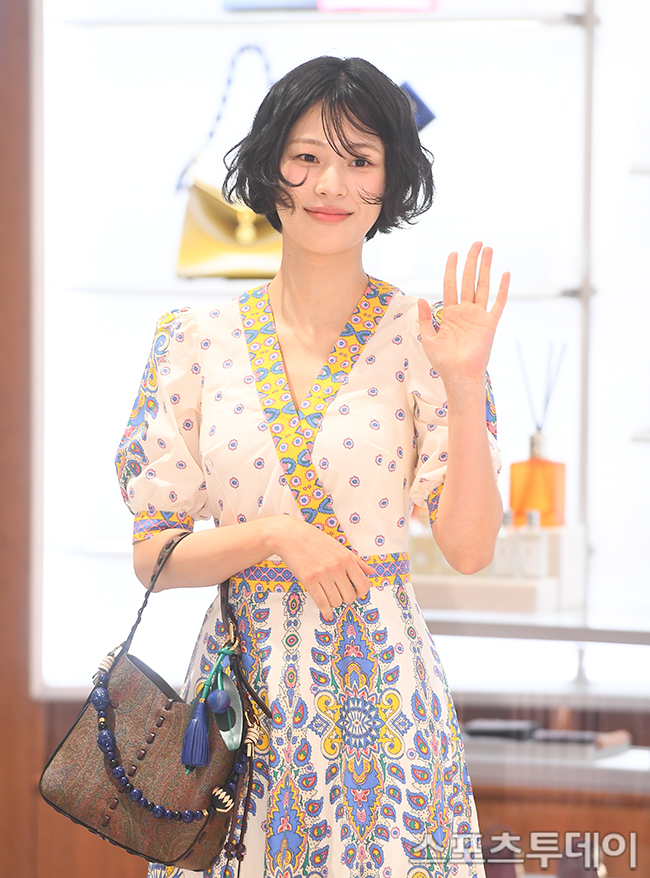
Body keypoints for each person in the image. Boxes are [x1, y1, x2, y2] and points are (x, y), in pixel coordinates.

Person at [116, 55, 508, 878]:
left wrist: (466, 384)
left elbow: (470, 549)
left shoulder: (429, 338)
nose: (331, 183)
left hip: (386, 709)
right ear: (270, 169)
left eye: (360, 159)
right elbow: (153, 555)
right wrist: (273, 537)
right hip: (235, 707)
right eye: (306, 156)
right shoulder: (193, 342)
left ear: (390, 181)